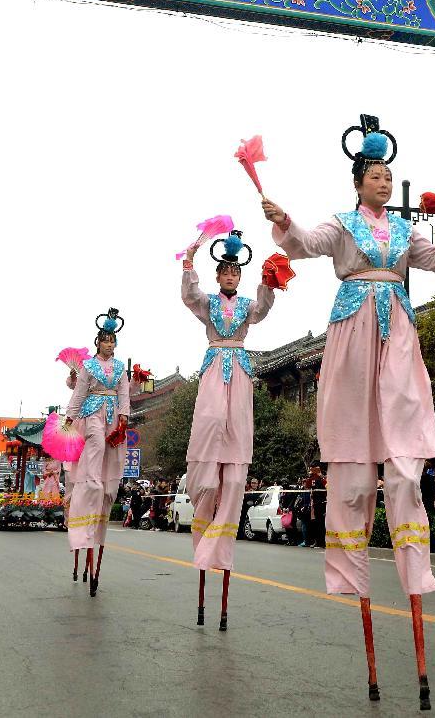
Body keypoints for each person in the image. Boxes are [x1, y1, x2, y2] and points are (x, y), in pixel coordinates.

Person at [262, 114, 435, 707]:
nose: (384, 181)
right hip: (353, 326)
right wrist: (284, 222)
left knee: (404, 455)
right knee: (352, 459)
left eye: (388, 173)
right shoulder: (344, 223)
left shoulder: (404, 232)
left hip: (398, 326)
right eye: (377, 174)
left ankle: (413, 565)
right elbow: (306, 244)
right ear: (359, 180)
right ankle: (353, 573)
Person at [181, 227, 282, 629]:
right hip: (213, 367)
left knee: (236, 426)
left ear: (239, 276)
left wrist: (269, 281)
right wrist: (189, 261)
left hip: (239, 368)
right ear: (217, 274)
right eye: (224, 271)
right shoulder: (206, 303)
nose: (229, 277)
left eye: (234, 273)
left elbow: (263, 307)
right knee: (209, 422)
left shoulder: (245, 308)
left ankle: (229, 482)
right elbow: (189, 297)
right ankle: (202, 478)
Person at [65, 308, 130, 595]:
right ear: (97, 342)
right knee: (93, 443)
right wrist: (70, 416)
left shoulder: (119, 369)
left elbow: (125, 393)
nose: (109, 344)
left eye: (112, 340)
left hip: (112, 413)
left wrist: (125, 417)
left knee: (108, 448)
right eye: (105, 340)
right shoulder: (88, 368)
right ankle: (90, 482)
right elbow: (79, 394)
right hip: (91, 412)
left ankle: (102, 484)